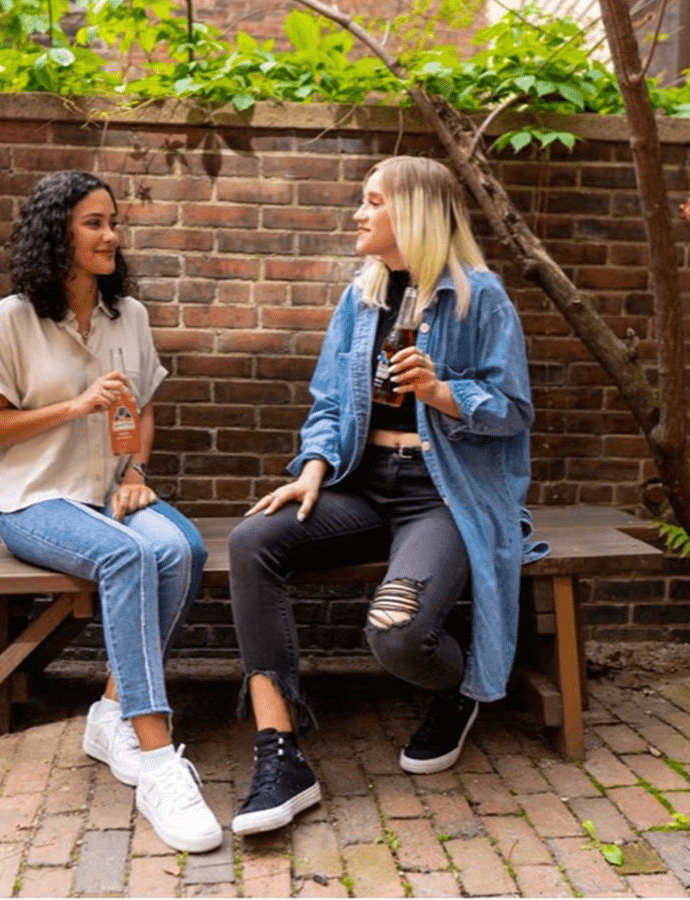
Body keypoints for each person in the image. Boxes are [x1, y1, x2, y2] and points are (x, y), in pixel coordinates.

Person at [226, 156, 545, 836]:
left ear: (416, 213)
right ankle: (279, 749)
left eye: (373, 201)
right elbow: (327, 402)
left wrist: (441, 392)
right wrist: (313, 463)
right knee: (252, 541)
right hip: (362, 487)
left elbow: (515, 410)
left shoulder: (479, 297)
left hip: (444, 495)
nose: (359, 213)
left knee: (396, 636)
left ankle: (460, 687)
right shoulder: (361, 297)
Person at [0, 170, 221, 853]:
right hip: (34, 500)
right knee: (131, 553)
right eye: (93, 223)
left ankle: (110, 710)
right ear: (59, 232)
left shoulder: (128, 315)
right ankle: (158, 756)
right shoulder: (15, 317)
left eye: (113, 221)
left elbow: (145, 408)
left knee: (183, 548)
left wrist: (135, 470)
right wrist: (75, 406)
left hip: (110, 494)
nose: (111, 235)